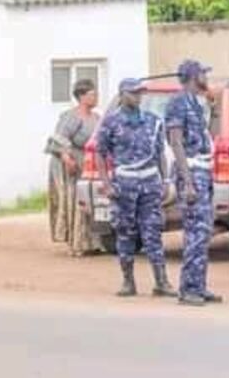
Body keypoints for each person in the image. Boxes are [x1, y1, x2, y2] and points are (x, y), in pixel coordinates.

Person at [95, 78, 177, 297]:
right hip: (125, 183)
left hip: (150, 182)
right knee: (125, 233)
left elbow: (160, 153)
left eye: (140, 93)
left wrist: (166, 181)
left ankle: (161, 281)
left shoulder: (152, 121)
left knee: (153, 233)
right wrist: (106, 184)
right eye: (134, 93)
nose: (138, 97)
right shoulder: (111, 122)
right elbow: (100, 153)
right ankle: (128, 281)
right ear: (122, 94)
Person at [165, 59, 223, 307]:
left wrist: (216, 108)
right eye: (203, 73)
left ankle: (198, 284)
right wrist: (187, 181)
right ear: (192, 75)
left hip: (203, 170)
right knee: (195, 232)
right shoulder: (178, 102)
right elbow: (176, 141)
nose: (206, 77)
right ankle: (188, 289)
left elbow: (211, 135)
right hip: (191, 171)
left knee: (204, 231)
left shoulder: (197, 103)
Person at [46, 79, 101, 256]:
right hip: (69, 163)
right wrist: (67, 159)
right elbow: (58, 140)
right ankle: (76, 243)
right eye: (92, 94)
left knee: (90, 202)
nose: (95, 97)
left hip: (88, 164)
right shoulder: (71, 117)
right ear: (82, 97)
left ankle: (91, 242)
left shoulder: (96, 118)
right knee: (75, 202)